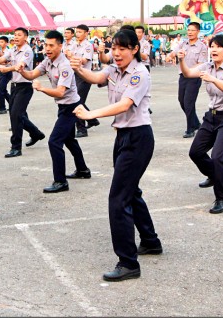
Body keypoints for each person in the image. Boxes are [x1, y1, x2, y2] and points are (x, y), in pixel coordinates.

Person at [70, 29, 161, 282]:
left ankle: (128, 262)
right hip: (122, 136)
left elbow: (124, 105)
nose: (117, 53)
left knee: (118, 200)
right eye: (114, 48)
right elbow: (96, 76)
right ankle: (151, 241)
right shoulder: (113, 70)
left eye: (123, 48)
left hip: (139, 138)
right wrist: (79, 67)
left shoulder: (139, 73)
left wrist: (91, 114)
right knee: (131, 192)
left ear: (134, 49)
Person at [17, 30, 91, 194]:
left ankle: (60, 181)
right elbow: (30, 75)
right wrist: (21, 69)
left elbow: (60, 92)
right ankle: (83, 170)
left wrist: (42, 88)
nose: (47, 49)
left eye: (51, 45)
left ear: (60, 45)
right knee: (70, 140)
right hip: (63, 107)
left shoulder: (65, 66)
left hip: (71, 107)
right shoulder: (47, 61)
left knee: (54, 142)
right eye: (46, 45)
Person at [179, 34, 223, 214]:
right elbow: (188, 73)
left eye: (217, 47)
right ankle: (213, 175)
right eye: (211, 46)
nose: (213, 50)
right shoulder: (207, 67)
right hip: (211, 117)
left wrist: (213, 79)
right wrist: (182, 60)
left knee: (217, 158)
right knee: (195, 152)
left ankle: (222, 198)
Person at [0, 27, 45, 158]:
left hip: (25, 86)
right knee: (15, 114)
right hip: (15, 86)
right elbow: (2, 59)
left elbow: (20, 66)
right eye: (15, 35)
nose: (16, 37)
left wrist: (7, 69)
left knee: (16, 115)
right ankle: (36, 133)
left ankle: (16, 147)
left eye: (19, 35)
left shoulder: (27, 51)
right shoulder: (13, 49)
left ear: (25, 37)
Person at [167, 22, 208, 138]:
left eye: (192, 30)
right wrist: (170, 56)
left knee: (189, 103)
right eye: (188, 30)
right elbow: (173, 52)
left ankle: (190, 128)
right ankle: (195, 123)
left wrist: (189, 71)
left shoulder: (202, 47)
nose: (190, 32)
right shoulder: (183, 43)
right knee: (182, 100)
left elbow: (201, 63)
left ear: (198, 32)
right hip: (183, 76)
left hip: (194, 77)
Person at [67, 24, 100, 138]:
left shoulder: (88, 46)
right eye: (77, 32)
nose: (78, 34)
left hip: (85, 76)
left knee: (77, 102)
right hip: (74, 75)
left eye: (80, 32)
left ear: (86, 33)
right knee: (77, 99)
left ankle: (81, 129)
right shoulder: (74, 45)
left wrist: (71, 56)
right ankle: (92, 119)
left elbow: (84, 61)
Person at [0, 36, 11, 114]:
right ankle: (13, 104)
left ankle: (2, 108)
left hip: (7, 71)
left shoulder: (8, 51)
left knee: (0, 89)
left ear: (6, 43)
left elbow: (4, 61)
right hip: (1, 71)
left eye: (2, 42)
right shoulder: (0, 50)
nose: (0, 43)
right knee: (3, 90)